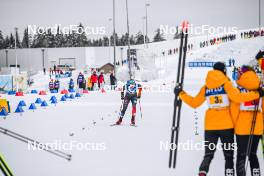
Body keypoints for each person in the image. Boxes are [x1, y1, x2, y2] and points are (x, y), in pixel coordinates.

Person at [177, 62, 263, 176]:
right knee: (230, 156)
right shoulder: (227, 85)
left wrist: (181, 93)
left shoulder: (206, 87)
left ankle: (203, 171)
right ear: (223, 71)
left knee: (208, 154)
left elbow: (194, 103)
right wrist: (257, 94)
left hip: (210, 126)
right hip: (227, 126)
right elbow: (237, 98)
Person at [231, 65, 264, 176]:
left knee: (241, 155)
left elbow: (234, 109)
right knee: (253, 154)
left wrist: (233, 125)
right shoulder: (260, 89)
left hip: (242, 127)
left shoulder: (238, 89)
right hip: (258, 125)